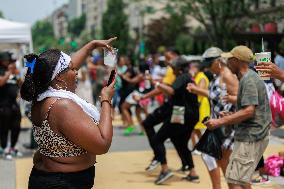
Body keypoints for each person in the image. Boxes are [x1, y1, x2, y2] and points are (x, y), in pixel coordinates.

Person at [21, 38, 116, 189]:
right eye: (72, 69)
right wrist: (106, 100)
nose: (76, 72)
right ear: (58, 76)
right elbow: (102, 145)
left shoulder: (43, 96)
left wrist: (91, 46)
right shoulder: (62, 106)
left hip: (54, 179)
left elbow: (66, 66)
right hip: (62, 183)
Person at [205, 46, 271, 189]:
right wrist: (230, 115)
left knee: (234, 180)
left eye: (229, 59)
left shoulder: (248, 80)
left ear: (236, 61)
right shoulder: (246, 78)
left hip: (252, 136)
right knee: (239, 179)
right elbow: (248, 109)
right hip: (250, 134)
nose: (227, 62)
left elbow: (248, 111)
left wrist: (219, 121)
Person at [138, 57, 200, 184]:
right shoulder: (188, 76)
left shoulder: (182, 77)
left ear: (179, 69)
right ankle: (193, 172)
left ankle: (165, 170)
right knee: (180, 142)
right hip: (192, 115)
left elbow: (171, 91)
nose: (172, 69)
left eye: (173, 67)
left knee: (157, 139)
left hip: (181, 114)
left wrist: (156, 83)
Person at [187, 47, 239, 189]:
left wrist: (229, 113)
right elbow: (214, 95)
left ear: (218, 62)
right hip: (217, 124)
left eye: (209, 65)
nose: (208, 69)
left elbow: (242, 100)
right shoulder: (218, 76)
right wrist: (196, 89)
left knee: (227, 169)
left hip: (227, 127)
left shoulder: (227, 76)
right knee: (213, 158)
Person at [136, 48, 178, 172]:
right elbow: (166, 84)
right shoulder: (176, 70)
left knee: (156, 135)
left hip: (172, 106)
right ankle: (191, 169)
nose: (165, 60)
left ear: (175, 56)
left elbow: (164, 88)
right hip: (177, 106)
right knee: (177, 138)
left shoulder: (172, 69)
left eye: (168, 57)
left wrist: (144, 96)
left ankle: (162, 165)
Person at [0, 52, 22, 159]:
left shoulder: (13, 72)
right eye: (6, 60)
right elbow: (1, 82)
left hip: (14, 103)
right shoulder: (2, 71)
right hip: (4, 104)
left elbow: (20, 83)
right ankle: (5, 148)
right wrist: (9, 72)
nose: (8, 62)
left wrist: (17, 75)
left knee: (16, 126)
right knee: (4, 128)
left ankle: (13, 147)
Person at [188, 60, 210, 155]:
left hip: (201, 105)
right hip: (197, 104)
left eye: (192, 67)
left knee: (192, 128)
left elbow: (200, 90)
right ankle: (200, 147)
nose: (190, 69)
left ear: (197, 68)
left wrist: (192, 87)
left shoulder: (201, 77)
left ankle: (196, 147)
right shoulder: (196, 77)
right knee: (195, 128)